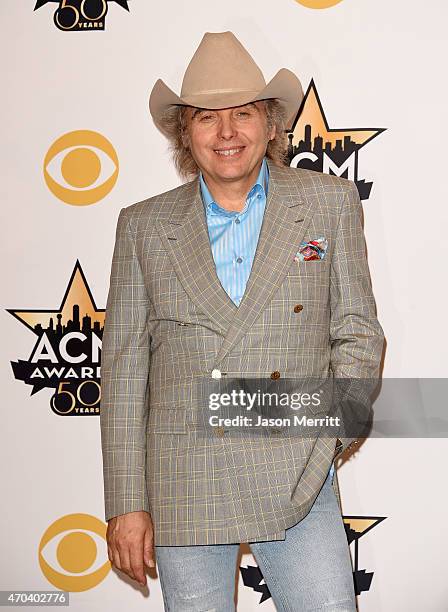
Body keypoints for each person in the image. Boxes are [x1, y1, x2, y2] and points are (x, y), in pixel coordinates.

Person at [100, 31, 384, 611]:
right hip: (185, 476)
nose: (227, 133)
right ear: (186, 133)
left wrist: (323, 437)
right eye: (207, 117)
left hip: (297, 474)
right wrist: (126, 502)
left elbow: (358, 335)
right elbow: (124, 373)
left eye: (243, 114)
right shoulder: (143, 226)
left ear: (271, 124)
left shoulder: (328, 203)